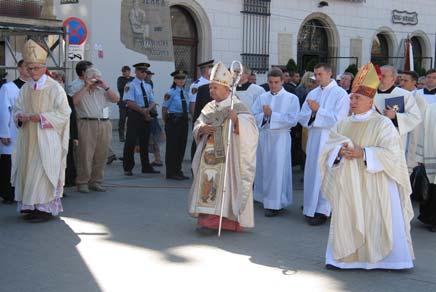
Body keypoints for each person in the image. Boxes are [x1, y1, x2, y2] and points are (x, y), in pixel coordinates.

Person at [320, 62, 414, 269]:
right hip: (350, 183)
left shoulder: (383, 123)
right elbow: (328, 148)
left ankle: (392, 261)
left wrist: (364, 153)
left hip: (376, 182)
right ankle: (343, 260)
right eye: (351, 97)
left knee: (378, 218)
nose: (352, 101)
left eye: (357, 98)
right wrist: (338, 152)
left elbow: (393, 155)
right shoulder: (343, 123)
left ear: (370, 101)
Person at [189, 61, 258, 234]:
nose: (211, 91)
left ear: (227, 88)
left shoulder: (237, 105)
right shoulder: (209, 106)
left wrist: (236, 120)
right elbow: (198, 123)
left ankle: (223, 221)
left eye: (215, 87)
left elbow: (252, 128)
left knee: (226, 186)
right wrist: (201, 129)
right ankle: (207, 218)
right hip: (209, 156)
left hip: (229, 156)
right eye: (211, 87)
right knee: (208, 185)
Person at [12, 39, 71, 221]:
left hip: (47, 138)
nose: (32, 72)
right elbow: (17, 108)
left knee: (42, 171)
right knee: (28, 169)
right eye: (29, 68)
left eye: (35, 68)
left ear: (44, 67)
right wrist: (19, 116)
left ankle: (44, 209)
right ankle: (31, 205)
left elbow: (64, 113)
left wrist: (41, 117)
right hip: (28, 137)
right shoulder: (26, 88)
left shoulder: (55, 88)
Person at [298, 63, 349, 226]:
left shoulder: (340, 94)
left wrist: (319, 110)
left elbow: (340, 119)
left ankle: (323, 210)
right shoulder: (312, 93)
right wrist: (312, 113)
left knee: (326, 173)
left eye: (320, 74)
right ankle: (310, 206)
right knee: (313, 171)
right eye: (315, 74)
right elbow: (302, 116)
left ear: (329, 74)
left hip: (330, 140)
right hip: (314, 138)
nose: (316, 77)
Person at [252, 68, 300, 217]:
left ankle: (275, 203)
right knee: (263, 167)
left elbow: (293, 120)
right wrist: (264, 116)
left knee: (277, 169)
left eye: (276, 82)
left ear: (282, 81)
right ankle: (262, 197)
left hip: (280, 137)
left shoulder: (291, 98)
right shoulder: (262, 97)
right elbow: (253, 116)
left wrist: (272, 115)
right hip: (264, 135)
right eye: (270, 82)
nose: (273, 85)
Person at [73, 68, 119, 193]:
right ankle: (82, 181)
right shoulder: (78, 89)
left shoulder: (103, 91)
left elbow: (116, 99)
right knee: (85, 154)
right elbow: (73, 102)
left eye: (97, 77)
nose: (95, 80)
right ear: (86, 77)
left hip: (104, 123)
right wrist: (86, 87)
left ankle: (96, 181)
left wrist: (105, 86)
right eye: (93, 77)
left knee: (101, 154)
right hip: (87, 123)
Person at [122, 63, 159, 176]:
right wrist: (142, 111)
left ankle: (146, 166)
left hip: (146, 114)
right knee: (131, 141)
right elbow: (129, 102)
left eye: (145, 72)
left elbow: (152, 100)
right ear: (136, 72)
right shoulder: (130, 85)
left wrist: (148, 110)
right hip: (135, 114)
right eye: (142, 72)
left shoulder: (147, 86)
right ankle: (128, 167)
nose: (144, 74)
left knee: (145, 141)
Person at [0, 60, 29, 204]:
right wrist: (4, 133)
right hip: (12, 130)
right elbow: (3, 110)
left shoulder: (35, 87)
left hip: (29, 131)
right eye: (26, 67)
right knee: (9, 162)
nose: (29, 70)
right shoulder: (8, 88)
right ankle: (8, 192)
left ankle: (24, 190)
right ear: (19, 69)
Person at [374, 65, 421, 151]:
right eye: (378, 75)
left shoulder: (405, 95)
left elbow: (415, 117)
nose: (380, 78)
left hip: (394, 139)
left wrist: (396, 116)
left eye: (383, 76)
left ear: (393, 79)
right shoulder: (369, 94)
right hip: (372, 137)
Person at [162, 70, 190, 180]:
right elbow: (164, 109)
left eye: (183, 78)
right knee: (172, 148)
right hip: (173, 121)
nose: (181, 80)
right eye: (178, 78)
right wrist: (166, 123)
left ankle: (178, 170)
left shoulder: (185, 92)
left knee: (181, 147)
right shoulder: (170, 93)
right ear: (174, 80)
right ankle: (171, 172)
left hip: (183, 121)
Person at [400, 71, 428, 171]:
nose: (402, 83)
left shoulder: (418, 98)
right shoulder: (399, 94)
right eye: (401, 80)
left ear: (414, 82)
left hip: (412, 139)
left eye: (405, 80)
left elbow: (418, 123)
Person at [416, 102, 436, 231]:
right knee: (433, 187)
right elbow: (422, 130)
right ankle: (432, 219)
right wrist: (420, 155)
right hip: (432, 150)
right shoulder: (431, 107)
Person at [117, 65, 134, 142]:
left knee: (131, 120)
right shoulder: (120, 79)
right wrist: (127, 86)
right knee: (122, 119)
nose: (123, 73)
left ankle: (130, 135)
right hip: (123, 102)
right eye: (123, 71)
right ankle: (121, 135)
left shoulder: (133, 79)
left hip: (131, 103)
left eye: (125, 71)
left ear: (129, 72)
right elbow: (120, 88)